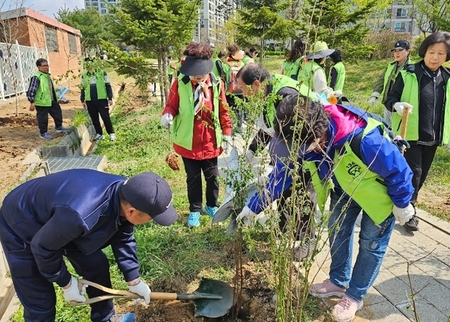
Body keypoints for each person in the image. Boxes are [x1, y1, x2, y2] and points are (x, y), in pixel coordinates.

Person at [237, 94, 414, 322]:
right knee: (337, 231)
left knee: (371, 244)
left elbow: (399, 171)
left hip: (378, 196)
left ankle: (355, 294)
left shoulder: (365, 140)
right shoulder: (303, 138)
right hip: (343, 188)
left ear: (319, 135)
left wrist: (402, 204)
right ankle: (338, 281)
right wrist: (254, 207)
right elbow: (282, 174)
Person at [0, 169, 179, 322]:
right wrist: (66, 283)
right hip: (21, 224)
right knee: (40, 301)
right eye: (151, 218)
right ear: (132, 211)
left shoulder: (128, 193)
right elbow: (42, 248)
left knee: (96, 265)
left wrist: (134, 280)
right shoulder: (80, 215)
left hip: (60, 219)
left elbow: (123, 237)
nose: (150, 221)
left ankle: (105, 318)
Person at [236, 64, 318, 258]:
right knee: (283, 191)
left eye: (241, 87)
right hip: (288, 149)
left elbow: (302, 136)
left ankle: (308, 240)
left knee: (302, 194)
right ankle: (285, 230)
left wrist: (255, 206)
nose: (241, 91)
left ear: (256, 84)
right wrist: (251, 151)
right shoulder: (268, 94)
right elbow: (270, 127)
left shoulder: (287, 98)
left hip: (310, 151)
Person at [161, 42, 232, 228]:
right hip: (188, 141)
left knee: (212, 177)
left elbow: (224, 110)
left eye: (201, 73)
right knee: (192, 178)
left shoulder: (217, 84)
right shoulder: (180, 83)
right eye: (194, 73)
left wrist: (227, 132)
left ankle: (211, 205)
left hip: (210, 141)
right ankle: (195, 209)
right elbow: (172, 105)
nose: (198, 77)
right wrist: (168, 114)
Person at [384, 32, 450, 232]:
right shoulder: (409, 72)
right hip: (411, 135)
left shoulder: (447, 77)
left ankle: (404, 204)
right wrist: (396, 104)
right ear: (424, 52)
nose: (435, 57)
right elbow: (390, 98)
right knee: (414, 173)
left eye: (441, 53)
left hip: (434, 137)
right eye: (432, 52)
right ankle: (408, 209)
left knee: (421, 176)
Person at [369, 40, 412, 125]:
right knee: (387, 130)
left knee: (398, 133)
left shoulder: (412, 68)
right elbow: (381, 80)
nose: (397, 53)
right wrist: (374, 95)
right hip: (388, 104)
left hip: (401, 106)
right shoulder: (391, 66)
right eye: (395, 51)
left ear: (408, 51)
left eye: (400, 50)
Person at [26, 58, 71, 140]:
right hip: (42, 102)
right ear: (39, 67)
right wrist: (32, 102)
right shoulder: (37, 77)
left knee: (57, 113)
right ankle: (43, 133)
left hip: (51, 100)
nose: (46, 67)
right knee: (43, 118)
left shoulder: (47, 76)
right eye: (44, 66)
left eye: (47, 65)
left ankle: (59, 127)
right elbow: (31, 90)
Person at [81, 57, 116, 142]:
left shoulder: (102, 73)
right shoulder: (84, 75)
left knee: (105, 117)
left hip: (101, 100)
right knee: (94, 119)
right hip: (90, 101)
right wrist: (82, 100)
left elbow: (108, 85)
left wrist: (110, 98)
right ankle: (99, 134)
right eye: (86, 64)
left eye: (90, 64)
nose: (89, 66)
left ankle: (111, 134)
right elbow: (82, 88)